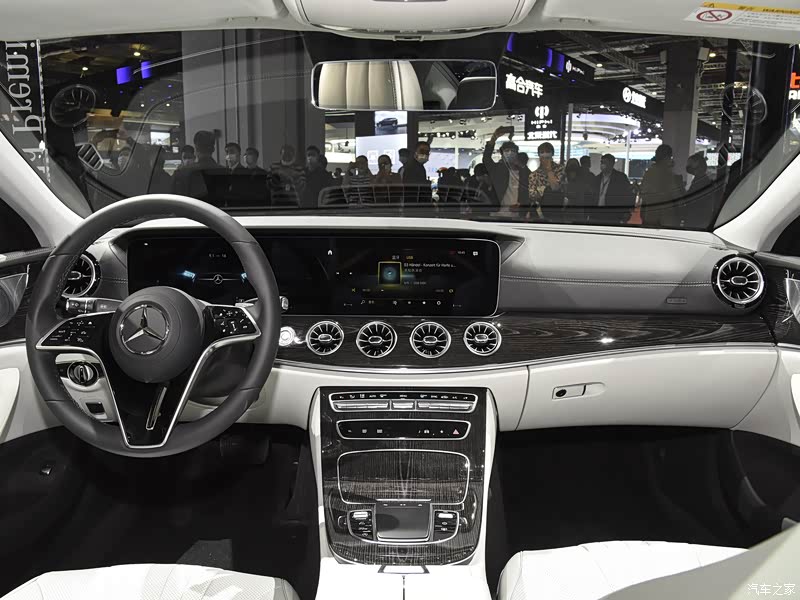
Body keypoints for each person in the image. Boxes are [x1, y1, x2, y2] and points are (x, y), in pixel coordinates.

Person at [481, 126, 528, 218]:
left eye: (513, 151)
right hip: (497, 214)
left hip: (516, 215)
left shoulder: (522, 171)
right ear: (502, 154)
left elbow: (527, 191)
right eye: (506, 151)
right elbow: (486, 158)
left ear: (516, 154)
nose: (510, 153)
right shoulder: (497, 169)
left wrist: (521, 205)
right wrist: (494, 138)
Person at [640, 144, 684, 227]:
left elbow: (644, 194)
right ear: (667, 157)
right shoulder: (668, 174)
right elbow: (675, 194)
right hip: (666, 217)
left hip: (651, 215)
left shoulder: (649, 173)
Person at [590, 153, 635, 225]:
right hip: (596, 214)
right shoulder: (597, 179)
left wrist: (627, 211)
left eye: (605, 162)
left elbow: (628, 195)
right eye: (601, 162)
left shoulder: (620, 178)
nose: (602, 165)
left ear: (611, 164)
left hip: (613, 214)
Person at [681, 150, 717, 229]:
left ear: (696, 163)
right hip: (700, 218)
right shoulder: (701, 179)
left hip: (697, 219)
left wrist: (681, 190)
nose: (687, 165)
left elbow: (690, 198)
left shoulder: (700, 180)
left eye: (690, 163)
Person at [529, 142, 565, 220]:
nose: (545, 154)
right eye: (542, 152)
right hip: (538, 214)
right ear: (539, 155)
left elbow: (555, 187)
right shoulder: (534, 174)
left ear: (552, 154)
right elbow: (532, 195)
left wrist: (549, 169)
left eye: (548, 151)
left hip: (556, 211)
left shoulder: (560, 169)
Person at [562, 158, 593, 223]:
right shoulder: (565, 181)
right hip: (572, 212)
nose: (572, 173)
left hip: (577, 212)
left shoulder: (581, 182)